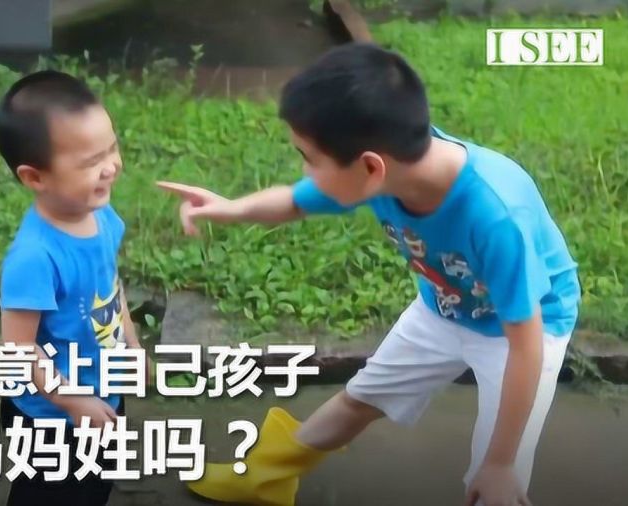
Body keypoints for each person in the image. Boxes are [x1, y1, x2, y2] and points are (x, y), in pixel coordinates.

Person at [158, 43, 580, 506]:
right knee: (361, 398)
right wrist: (230, 208)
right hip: (444, 306)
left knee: (496, 477)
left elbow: (526, 346)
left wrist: (499, 464)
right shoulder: (388, 170)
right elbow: (294, 202)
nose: (305, 172)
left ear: (370, 168)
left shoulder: (496, 216)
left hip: (524, 331)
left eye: (309, 158)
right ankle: (266, 480)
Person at [0, 70, 142, 505]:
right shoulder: (34, 257)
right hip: (50, 415)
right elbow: (18, 350)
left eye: (112, 148)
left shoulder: (101, 216)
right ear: (35, 177)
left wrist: (132, 344)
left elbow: (109, 285)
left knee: (95, 484)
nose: (111, 166)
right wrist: (73, 400)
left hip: (101, 389)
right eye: (90, 162)